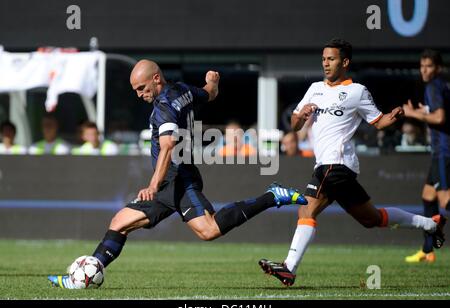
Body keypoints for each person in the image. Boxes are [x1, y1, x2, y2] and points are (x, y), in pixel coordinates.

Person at [48, 59, 307, 288]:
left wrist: (153, 184)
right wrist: (211, 82)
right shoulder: (182, 91)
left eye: (142, 88)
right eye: (136, 91)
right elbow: (209, 94)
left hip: (178, 179)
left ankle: (272, 196)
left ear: (156, 78)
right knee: (119, 222)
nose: (139, 95)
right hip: (167, 184)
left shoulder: (164, 107)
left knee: (209, 230)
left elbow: (168, 146)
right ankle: (79, 279)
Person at [258, 39, 447, 286]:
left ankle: (289, 268)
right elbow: (295, 125)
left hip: (335, 164)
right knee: (372, 219)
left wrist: (394, 116)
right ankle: (431, 224)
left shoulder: (357, 91)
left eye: (332, 59)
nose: (326, 63)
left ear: (345, 62)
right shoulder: (314, 88)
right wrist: (301, 116)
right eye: (324, 59)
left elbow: (378, 121)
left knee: (307, 209)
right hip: (330, 167)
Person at [402, 49, 450, 263]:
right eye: (422, 66)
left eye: (429, 66)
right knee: (428, 197)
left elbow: (439, 118)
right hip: (440, 151)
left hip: (444, 151)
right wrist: (423, 112)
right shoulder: (441, 85)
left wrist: (412, 114)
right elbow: (439, 115)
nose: (424, 70)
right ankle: (428, 250)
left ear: (437, 68)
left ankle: (428, 250)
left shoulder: (433, 86)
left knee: (445, 200)